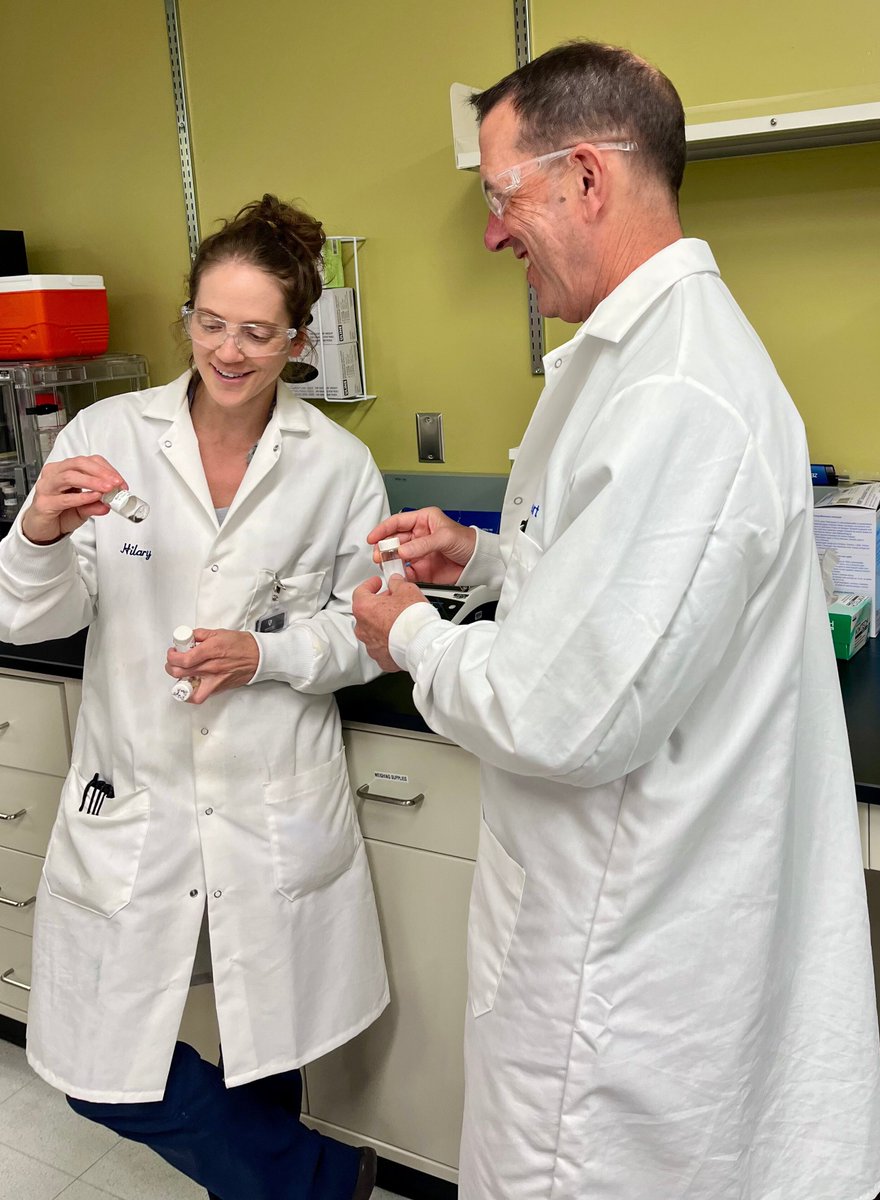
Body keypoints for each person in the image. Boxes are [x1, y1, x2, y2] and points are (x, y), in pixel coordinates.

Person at [352, 41, 880, 1200]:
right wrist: (491, 558)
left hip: (622, 980)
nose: (492, 234)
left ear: (587, 178)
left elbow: (562, 712)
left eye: (502, 195)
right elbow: (630, 583)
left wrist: (412, 637)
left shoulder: (677, 390)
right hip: (606, 929)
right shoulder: (637, 356)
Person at [0, 195, 385, 1200]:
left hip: (270, 802)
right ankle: (321, 1183)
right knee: (99, 1065)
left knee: (267, 1047)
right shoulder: (107, 433)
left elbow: (365, 633)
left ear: (296, 340)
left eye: (256, 331)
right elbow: (30, 619)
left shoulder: (337, 468)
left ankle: (282, 1183)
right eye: (210, 322)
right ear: (188, 319)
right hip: (138, 794)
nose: (227, 350)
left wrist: (265, 655)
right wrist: (38, 535)